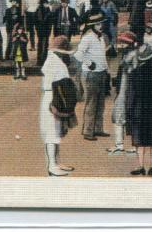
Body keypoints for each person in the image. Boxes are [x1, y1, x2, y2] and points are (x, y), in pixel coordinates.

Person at [40, 36, 78, 177]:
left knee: (56, 131)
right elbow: (61, 82)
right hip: (54, 97)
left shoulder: (53, 60)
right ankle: (52, 165)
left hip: (54, 96)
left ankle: (57, 162)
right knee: (52, 133)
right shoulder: (55, 63)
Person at [107, 31, 147, 156]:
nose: (121, 45)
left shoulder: (133, 55)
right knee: (119, 115)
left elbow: (135, 72)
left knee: (133, 116)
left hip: (131, 89)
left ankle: (136, 145)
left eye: (124, 43)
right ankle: (119, 145)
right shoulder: (126, 54)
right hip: (124, 89)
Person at [129, 38, 152, 176]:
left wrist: (130, 111)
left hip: (139, 110)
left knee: (140, 141)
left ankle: (140, 166)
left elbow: (131, 96)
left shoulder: (135, 74)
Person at [75, 12, 110, 141]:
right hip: (91, 74)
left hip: (101, 73)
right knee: (91, 103)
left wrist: (106, 69)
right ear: (92, 26)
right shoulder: (88, 38)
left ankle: (98, 129)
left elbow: (102, 55)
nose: (101, 26)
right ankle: (88, 131)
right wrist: (89, 63)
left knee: (100, 104)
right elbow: (78, 55)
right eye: (98, 24)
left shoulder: (100, 38)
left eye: (101, 23)